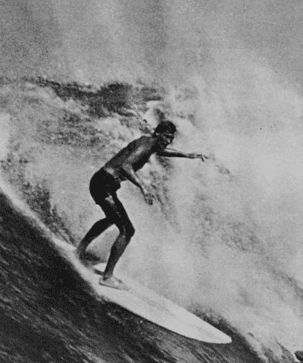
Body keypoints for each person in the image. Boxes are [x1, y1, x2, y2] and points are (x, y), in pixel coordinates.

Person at [76, 120, 207, 289]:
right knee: (127, 230)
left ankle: (79, 251)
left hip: (102, 181)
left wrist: (187, 155)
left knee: (111, 219)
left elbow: (161, 151)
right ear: (158, 133)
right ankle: (107, 277)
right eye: (167, 137)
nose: (168, 141)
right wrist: (143, 187)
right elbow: (126, 165)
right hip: (104, 184)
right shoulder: (146, 146)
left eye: (171, 139)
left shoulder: (149, 142)